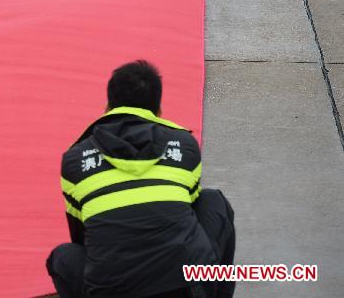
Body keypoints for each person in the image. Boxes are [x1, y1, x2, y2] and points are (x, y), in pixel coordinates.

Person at [47, 61, 235, 298]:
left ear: (108, 106)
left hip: (111, 291)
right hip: (188, 289)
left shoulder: (74, 160)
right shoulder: (185, 146)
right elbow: (190, 212)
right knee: (212, 201)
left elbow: (83, 238)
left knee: (62, 258)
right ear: (159, 111)